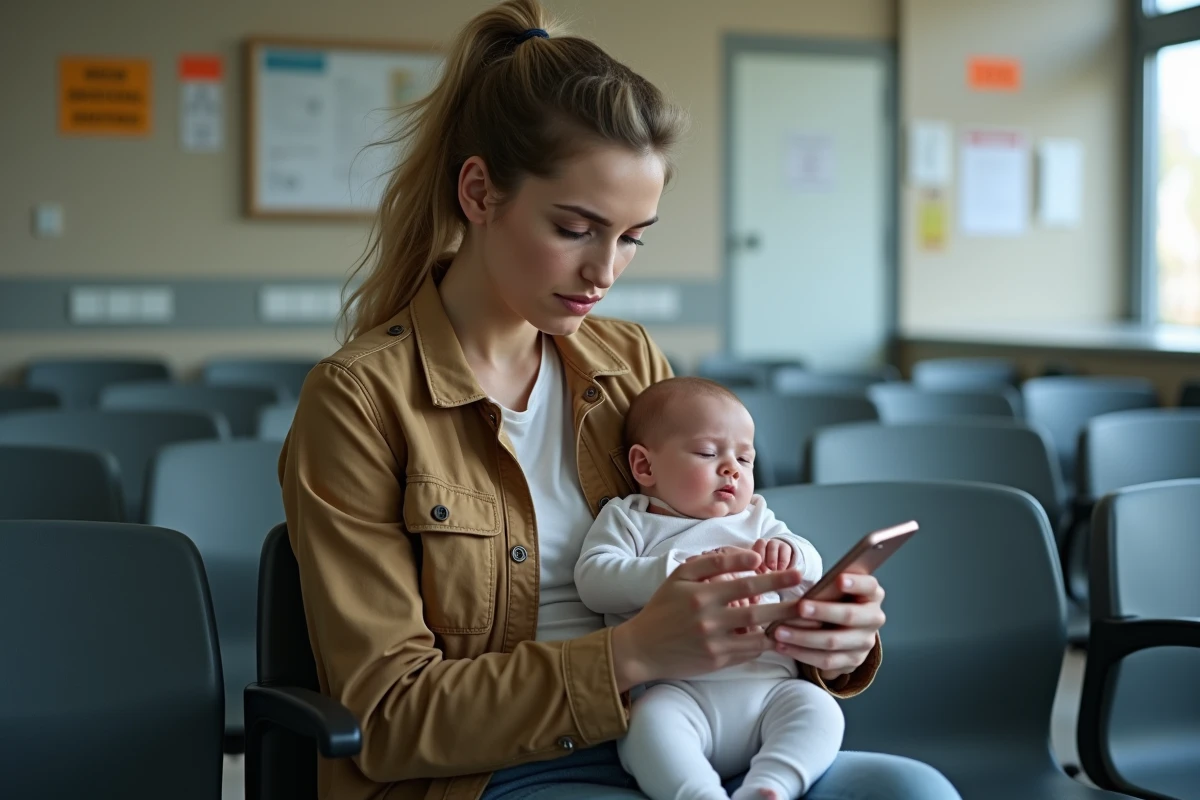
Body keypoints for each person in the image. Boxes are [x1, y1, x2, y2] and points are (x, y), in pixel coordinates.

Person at [279, 1, 961, 799]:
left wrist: (822, 640)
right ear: (478, 192)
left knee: (916, 791)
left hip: (695, 729)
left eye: (633, 237)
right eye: (576, 228)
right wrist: (632, 653)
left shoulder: (630, 360)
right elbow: (388, 717)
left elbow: (713, 555)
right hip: (493, 772)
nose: (606, 271)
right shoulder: (359, 400)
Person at [575, 377, 843, 800]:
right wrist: (673, 572)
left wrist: (791, 553)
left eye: (745, 458)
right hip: (676, 692)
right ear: (645, 467)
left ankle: (770, 786)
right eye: (707, 453)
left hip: (769, 688)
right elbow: (594, 580)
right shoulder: (632, 519)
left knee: (820, 709)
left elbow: (812, 568)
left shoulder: (757, 520)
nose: (732, 469)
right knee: (648, 727)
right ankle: (698, 794)